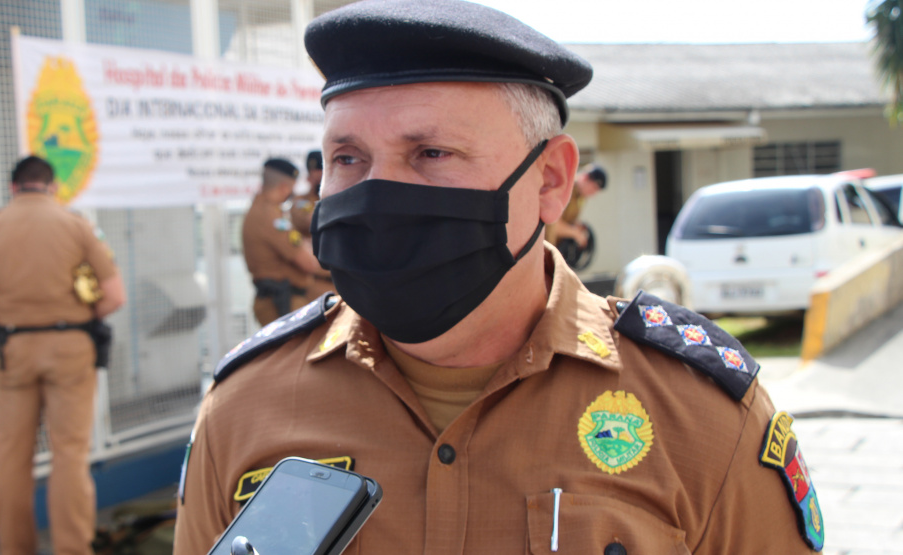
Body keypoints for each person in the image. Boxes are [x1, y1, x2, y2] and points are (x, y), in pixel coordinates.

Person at [174, 1, 824, 553]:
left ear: (548, 181)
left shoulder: (700, 417)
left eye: (430, 153)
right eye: (347, 157)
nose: (376, 193)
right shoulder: (244, 406)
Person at [0, 155, 126, 555]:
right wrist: (76, 316)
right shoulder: (75, 225)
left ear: (14, 188)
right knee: (69, 454)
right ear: (51, 187)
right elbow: (114, 295)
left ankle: (15, 548)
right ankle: (72, 548)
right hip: (70, 349)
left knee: (12, 457)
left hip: (13, 350)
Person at [242, 158, 320, 326]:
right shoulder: (271, 218)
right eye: (291, 187)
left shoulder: (265, 210)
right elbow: (309, 263)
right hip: (282, 303)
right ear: (284, 187)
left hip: (282, 301)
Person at [289, 150, 336, 301]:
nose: (319, 176)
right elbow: (313, 220)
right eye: (315, 172)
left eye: (323, 171)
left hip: (345, 282)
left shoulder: (340, 198)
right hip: (317, 284)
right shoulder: (301, 202)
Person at [545, 163, 607, 269]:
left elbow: (566, 220)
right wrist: (575, 233)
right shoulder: (566, 188)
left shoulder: (581, 197)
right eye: (594, 188)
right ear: (585, 178)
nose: (593, 194)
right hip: (543, 248)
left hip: (553, 251)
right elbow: (551, 224)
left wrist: (576, 226)